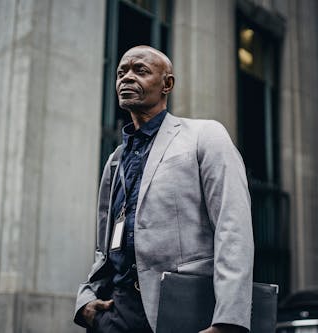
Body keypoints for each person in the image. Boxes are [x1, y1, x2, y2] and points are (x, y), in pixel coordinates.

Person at [73, 45, 254, 333]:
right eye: (121, 72)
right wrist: (87, 302)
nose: (126, 78)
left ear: (167, 84)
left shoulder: (205, 136)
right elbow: (103, 247)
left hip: (182, 311)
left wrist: (228, 321)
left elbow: (233, 229)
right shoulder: (115, 160)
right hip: (116, 313)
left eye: (140, 71)